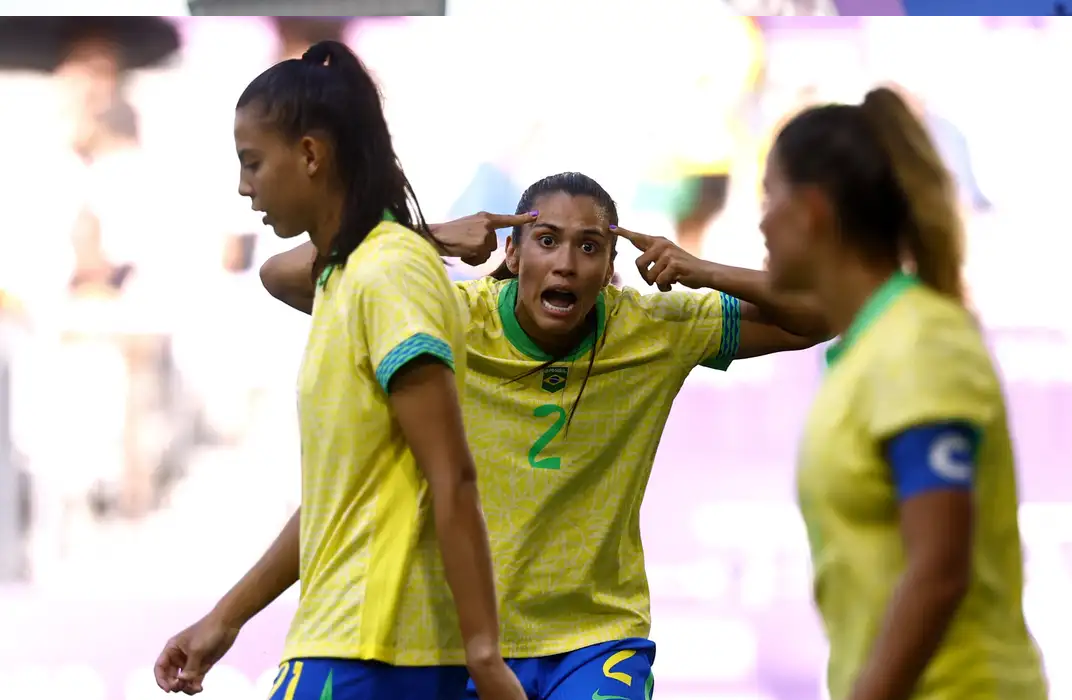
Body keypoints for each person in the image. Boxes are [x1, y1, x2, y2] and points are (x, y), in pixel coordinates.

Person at [260, 170, 829, 699]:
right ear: (512, 251)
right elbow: (281, 276)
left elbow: (823, 312)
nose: (566, 264)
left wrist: (703, 270)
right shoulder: (450, 314)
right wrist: (424, 239)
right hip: (458, 642)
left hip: (594, 639)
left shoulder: (655, 328)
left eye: (588, 247)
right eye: (547, 240)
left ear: (609, 269)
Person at [153, 41, 524, 700]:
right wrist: (225, 618)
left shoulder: (388, 272)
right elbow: (339, 503)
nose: (244, 187)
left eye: (252, 163)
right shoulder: (347, 276)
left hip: (372, 650)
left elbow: (452, 475)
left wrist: (485, 658)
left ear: (311, 155)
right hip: (352, 643)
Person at [760, 87, 1048, 700]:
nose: (760, 220)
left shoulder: (919, 342)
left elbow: (940, 569)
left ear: (810, 210)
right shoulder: (867, 348)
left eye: (770, 196)